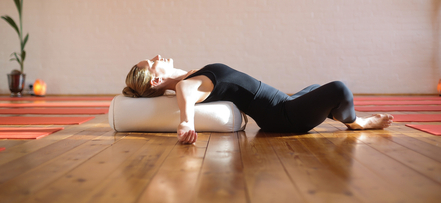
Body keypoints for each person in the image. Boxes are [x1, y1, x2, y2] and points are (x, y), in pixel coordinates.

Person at [123, 55, 393, 144]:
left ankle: (341, 115)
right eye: (153, 62)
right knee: (339, 89)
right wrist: (185, 123)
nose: (158, 56)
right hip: (285, 117)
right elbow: (184, 94)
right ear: (156, 81)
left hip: (284, 103)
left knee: (314, 87)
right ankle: (357, 122)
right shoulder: (187, 84)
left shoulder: (193, 76)